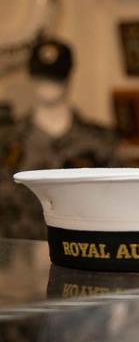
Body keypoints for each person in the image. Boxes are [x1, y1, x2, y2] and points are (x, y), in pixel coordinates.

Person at [0, 37, 118, 239]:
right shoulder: (7, 140)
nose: (48, 85)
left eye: (55, 78)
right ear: (31, 76)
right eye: (42, 77)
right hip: (18, 251)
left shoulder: (100, 141)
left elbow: (117, 202)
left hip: (80, 248)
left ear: (69, 76)